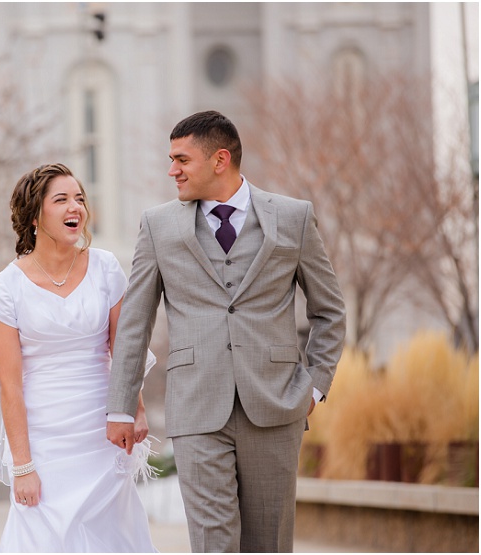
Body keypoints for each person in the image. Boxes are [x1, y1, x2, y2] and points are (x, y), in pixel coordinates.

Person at [106, 110, 346, 552]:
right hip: (197, 405)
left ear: (220, 160)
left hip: (277, 404)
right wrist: (120, 406)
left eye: (181, 159)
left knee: (267, 543)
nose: (171, 170)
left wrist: (314, 388)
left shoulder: (293, 218)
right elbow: (135, 321)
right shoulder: (158, 225)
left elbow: (329, 311)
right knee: (213, 542)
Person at [0, 163, 157, 552]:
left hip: (101, 433)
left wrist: (134, 410)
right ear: (36, 215)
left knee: (113, 538)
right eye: (61, 200)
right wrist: (23, 466)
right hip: (43, 439)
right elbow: (10, 385)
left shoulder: (106, 268)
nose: (76, 207)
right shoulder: (6, 289)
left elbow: (123, 350)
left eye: (80, 199)